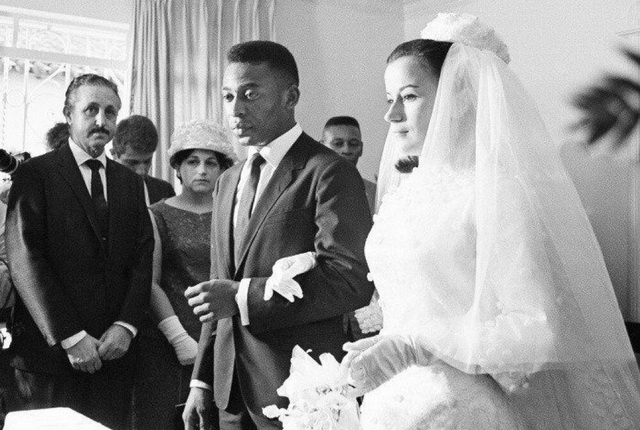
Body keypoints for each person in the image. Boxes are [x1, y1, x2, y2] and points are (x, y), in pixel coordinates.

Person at [342, 13, 640, 430]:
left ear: (459, 95)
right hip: (393, 400)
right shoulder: (405, 193)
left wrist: (416, 347)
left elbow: (533, 329)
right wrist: (385, 344)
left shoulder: (497, 194)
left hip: (463, 407)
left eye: (408, 96)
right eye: (388, 99)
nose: (391, 115)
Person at [183, 40, 374, 430]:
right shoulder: (227, 181)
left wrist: (243, 297)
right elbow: (219, 286)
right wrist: (201, 380)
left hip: (298, 391)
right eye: (228, 96)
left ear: (291, 97)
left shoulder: (328, 172)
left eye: (251, 94)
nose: (236, 109)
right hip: (229, 392)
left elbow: (349, 280)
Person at [5, 73, 154, 430]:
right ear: (69, 115)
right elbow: (25, 260)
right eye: (91, 110)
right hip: (49, 359)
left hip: (113, 355)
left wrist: (126, 326)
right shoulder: (35, 174)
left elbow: (142, 258)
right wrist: (71, 337)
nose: (102, 120)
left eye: (110, 112)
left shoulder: (130, 183)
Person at [131, 120, 236, 430]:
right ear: (177, 167)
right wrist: (179, 338)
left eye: (211, 163)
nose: (202, 170)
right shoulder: (157, 213)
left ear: (222, 169)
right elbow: (150, 283)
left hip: (223, 337)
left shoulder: (232, 213)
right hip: (170, 341)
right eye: (192, 161)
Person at [111, 114, 176, 205]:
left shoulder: (164, 191)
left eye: (147, 161)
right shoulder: (99, 190)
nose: (141, 171)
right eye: (132, 162)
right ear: (114, 154)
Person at [321, 116, 377, 215]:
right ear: (322, 147)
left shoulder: (375, 193)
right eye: (338, 144)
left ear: (361, 148)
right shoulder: (306, 190)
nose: (346, 150)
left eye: (353, 144)